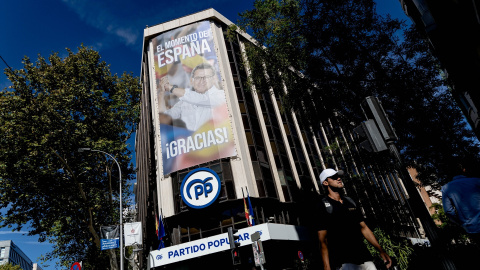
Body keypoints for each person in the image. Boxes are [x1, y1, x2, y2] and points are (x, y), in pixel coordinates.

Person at [317, 168, 392, 270]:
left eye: (339, 176)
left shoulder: (350, 202)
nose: (339, 178)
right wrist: (327, 267)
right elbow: (323, 241)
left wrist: (381, 250)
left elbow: (364, 228)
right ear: (325, 182)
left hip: (365, 258)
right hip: (343, 261)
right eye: (334, 177)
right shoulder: (323, 205)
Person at [158, 63, 227, 131]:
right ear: (192, 81)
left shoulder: (221, 95)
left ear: (213, 79)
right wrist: (162, 92)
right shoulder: (184, 102)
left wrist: (171, 88)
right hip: (191, 140)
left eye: (206, 77)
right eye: (197, 78)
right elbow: (164, 116)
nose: (201, 81)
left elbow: (198, 99)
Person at [442, 162, 480, 245]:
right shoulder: (476, 181)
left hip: (472, 227)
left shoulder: (446, 188)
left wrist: (461, 223)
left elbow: (448, 211)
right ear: (464, 170)